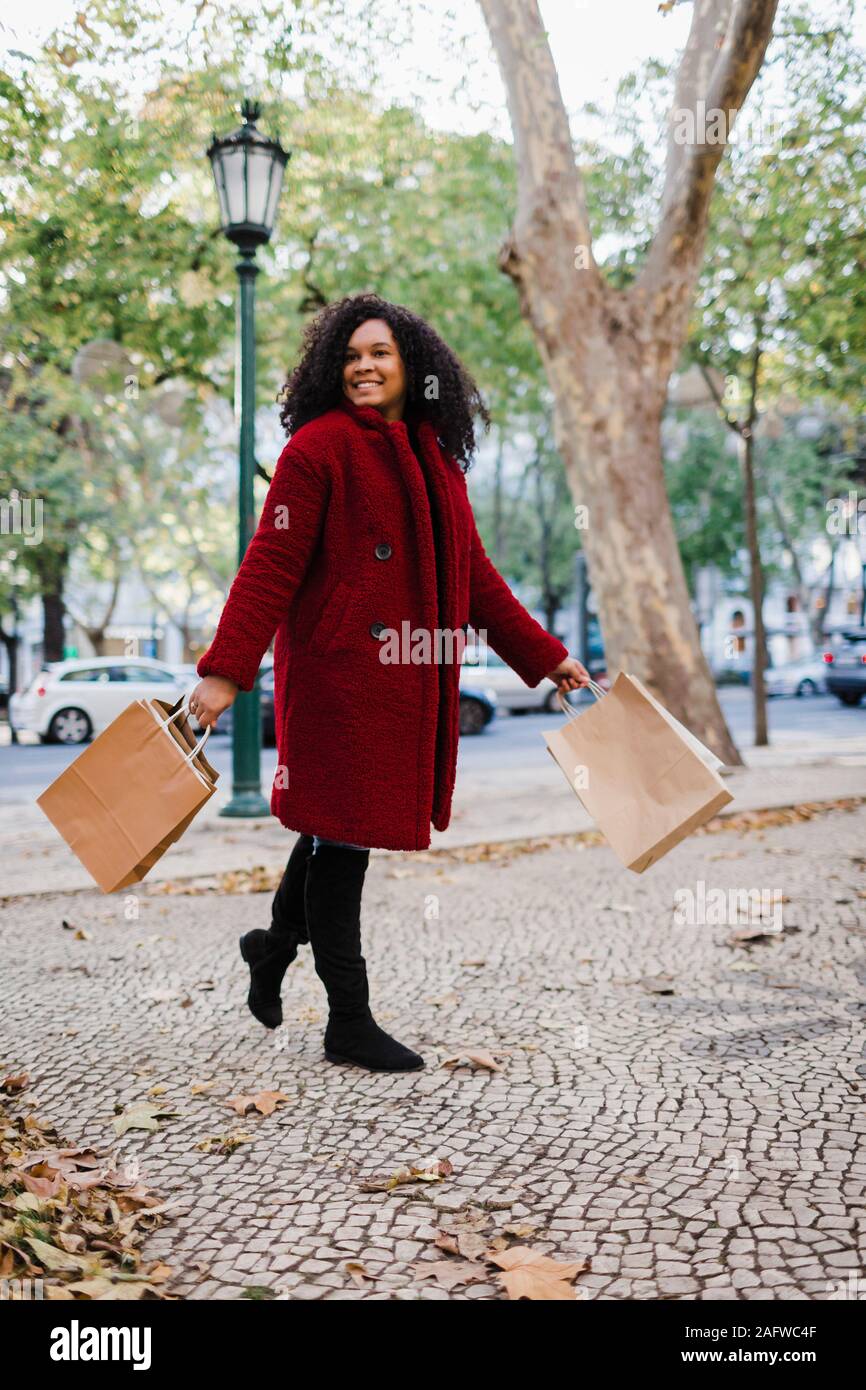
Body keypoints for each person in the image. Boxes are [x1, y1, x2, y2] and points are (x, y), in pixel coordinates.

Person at [190, 292, 590, 1074]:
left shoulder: (436, 461)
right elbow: (269, 565)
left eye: (379, 354)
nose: (364, 367)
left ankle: (270, 949)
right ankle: (349, 1021)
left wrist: (547, 657)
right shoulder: (317, 450)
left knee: (333, 830)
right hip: (339, 678)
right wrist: (224, 671)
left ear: (413, 365)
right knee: (342, 843)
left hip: (407, 683)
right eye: (350, 357)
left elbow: (476, 579)